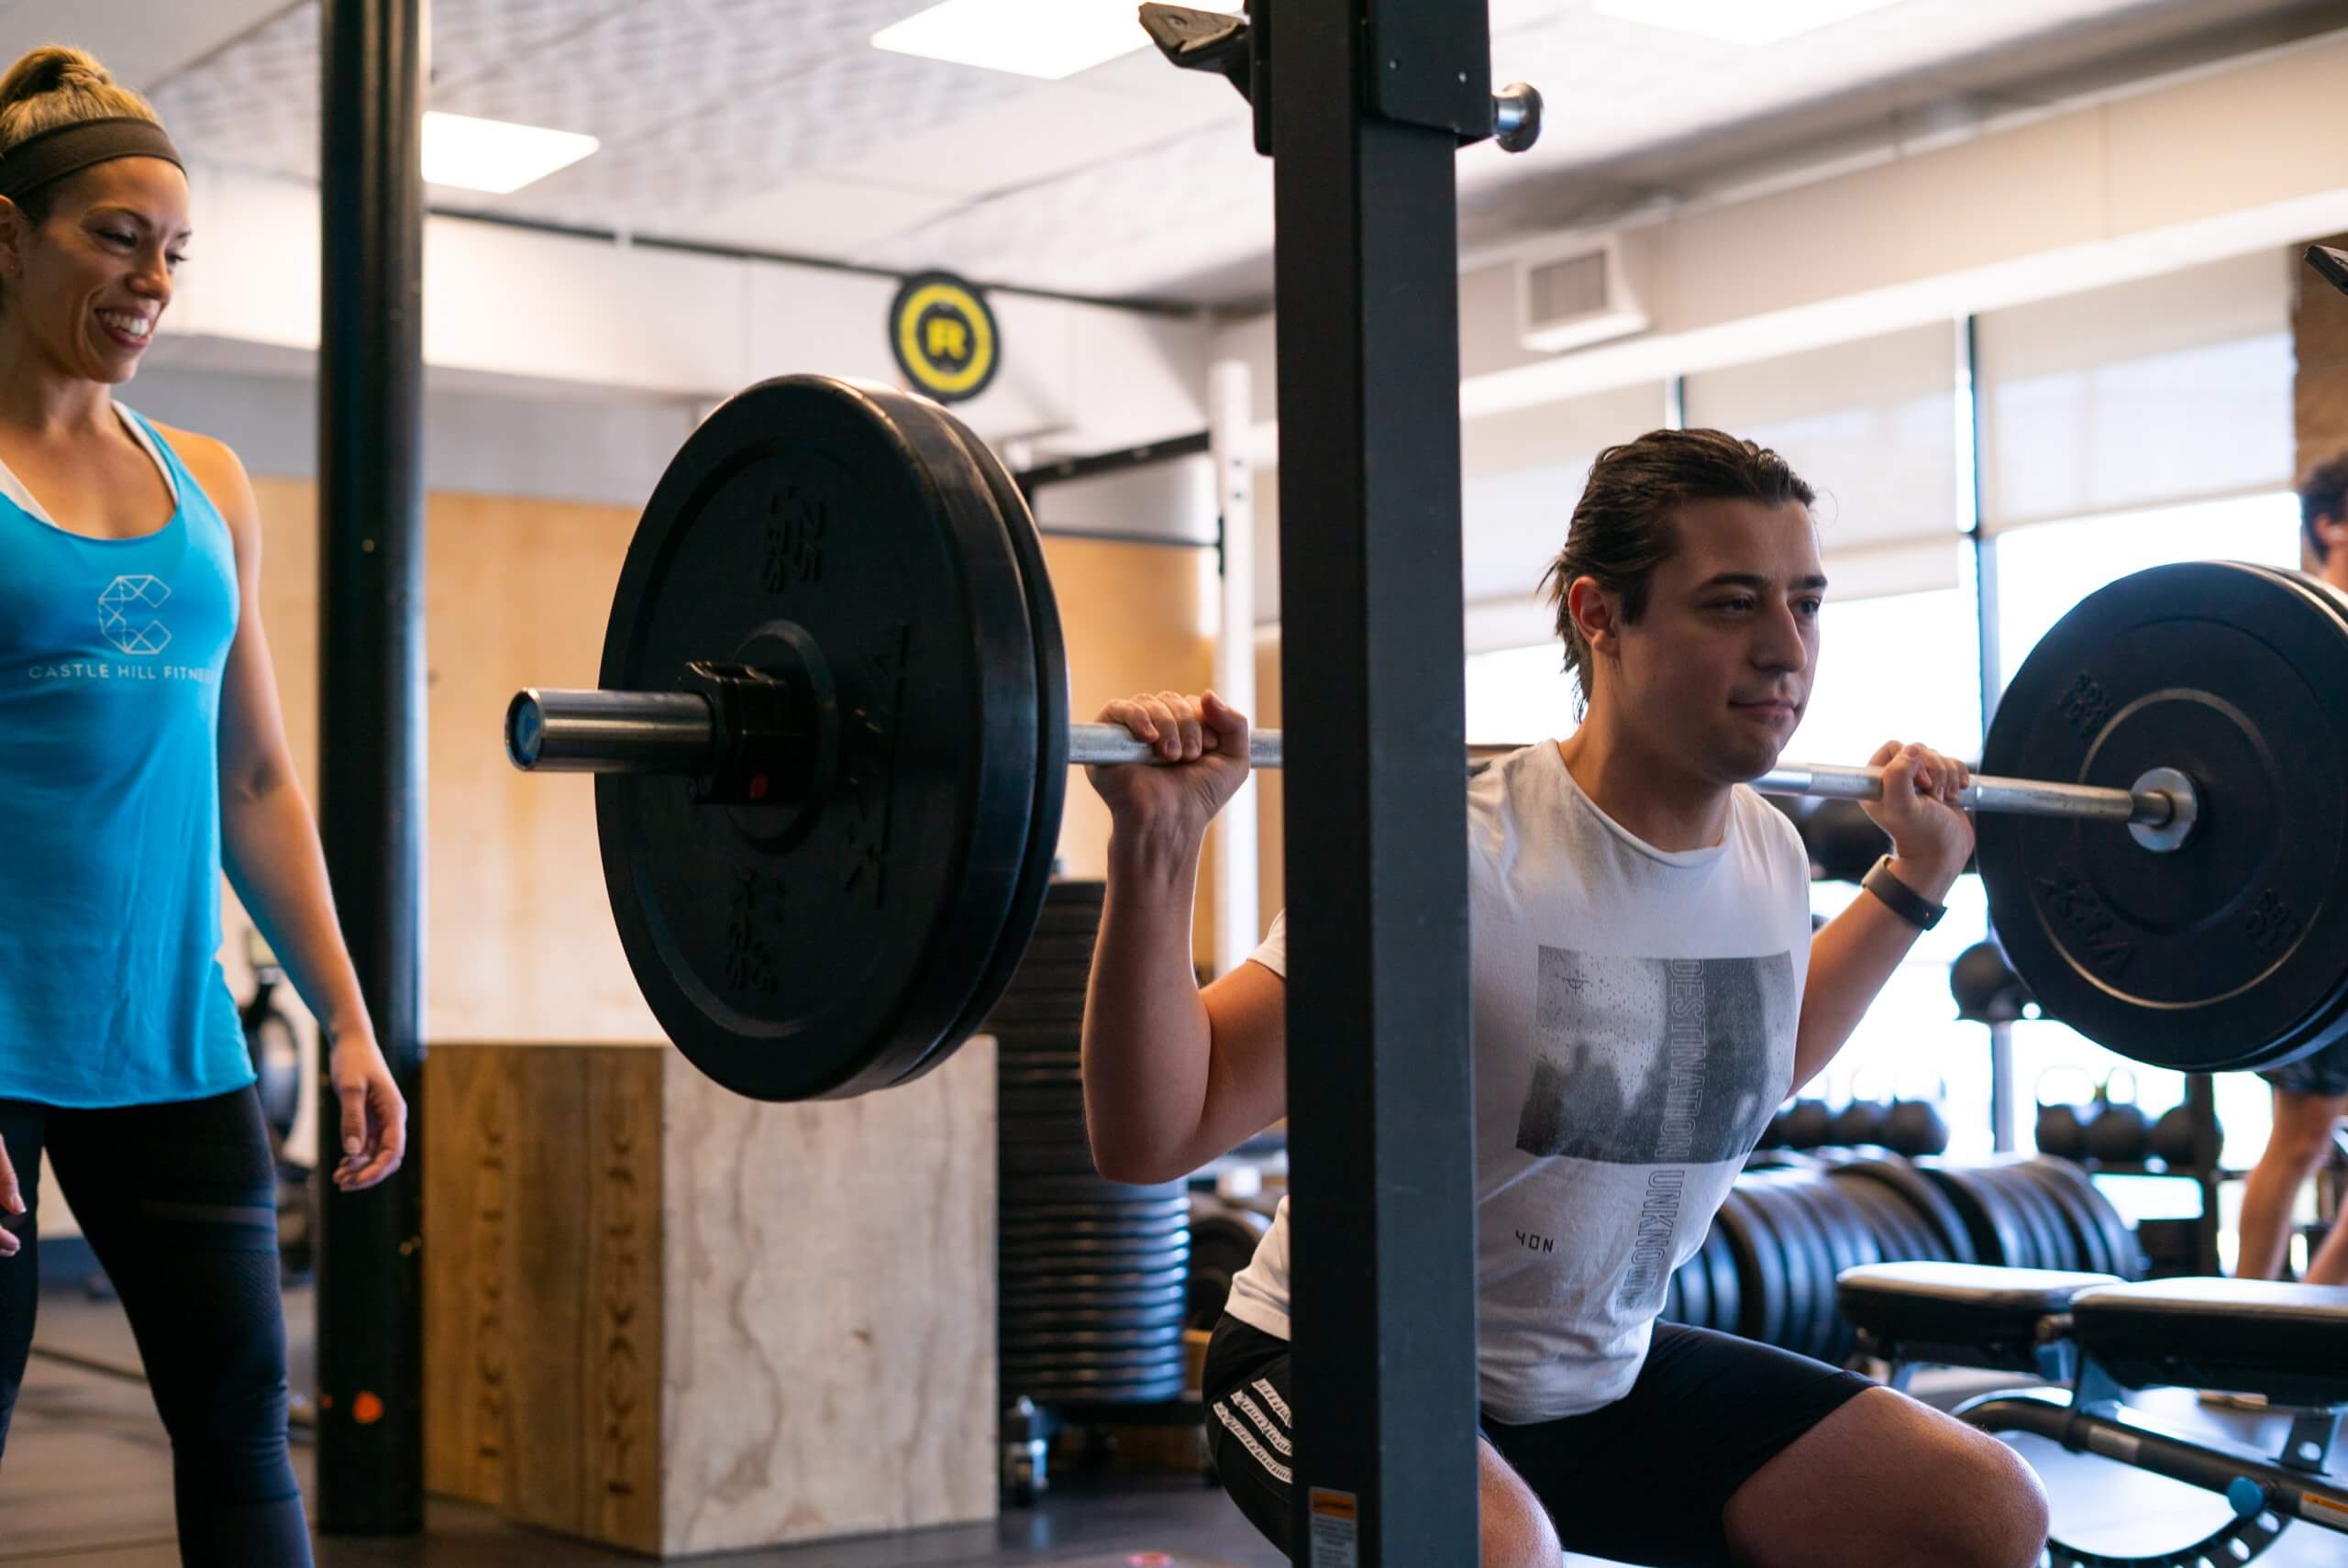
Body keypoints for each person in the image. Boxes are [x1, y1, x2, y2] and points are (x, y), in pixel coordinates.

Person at [1081, 429, 2050, 1568]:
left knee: (1980, 1511)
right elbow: (1155, 1133)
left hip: (1595, 1386)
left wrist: (1916, 879)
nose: (1786, 650)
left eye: (1805, 603)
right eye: (1732, 604)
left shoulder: (1770, 855)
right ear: (1600, 615)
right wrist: (1160, 845)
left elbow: (1752, 1061)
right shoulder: (1453, 860)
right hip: (1330, 1365)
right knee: (1501, 1557)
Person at [0, 45, 407, 1567]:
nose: (150, 278)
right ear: (5, 236)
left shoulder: (209, 481)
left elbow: (256, 781)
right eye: (115, 235)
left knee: (241, 1422)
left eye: (172, 249)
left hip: (166, 1040)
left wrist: (349, 1019)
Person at [2233, 452, 2348, 1288]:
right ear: (2329, 525)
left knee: (2306, 1132)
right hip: (2307, 924)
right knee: (2302, 1131)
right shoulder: (2302, 625)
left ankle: (2299, 1334)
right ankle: (2241, 1327)